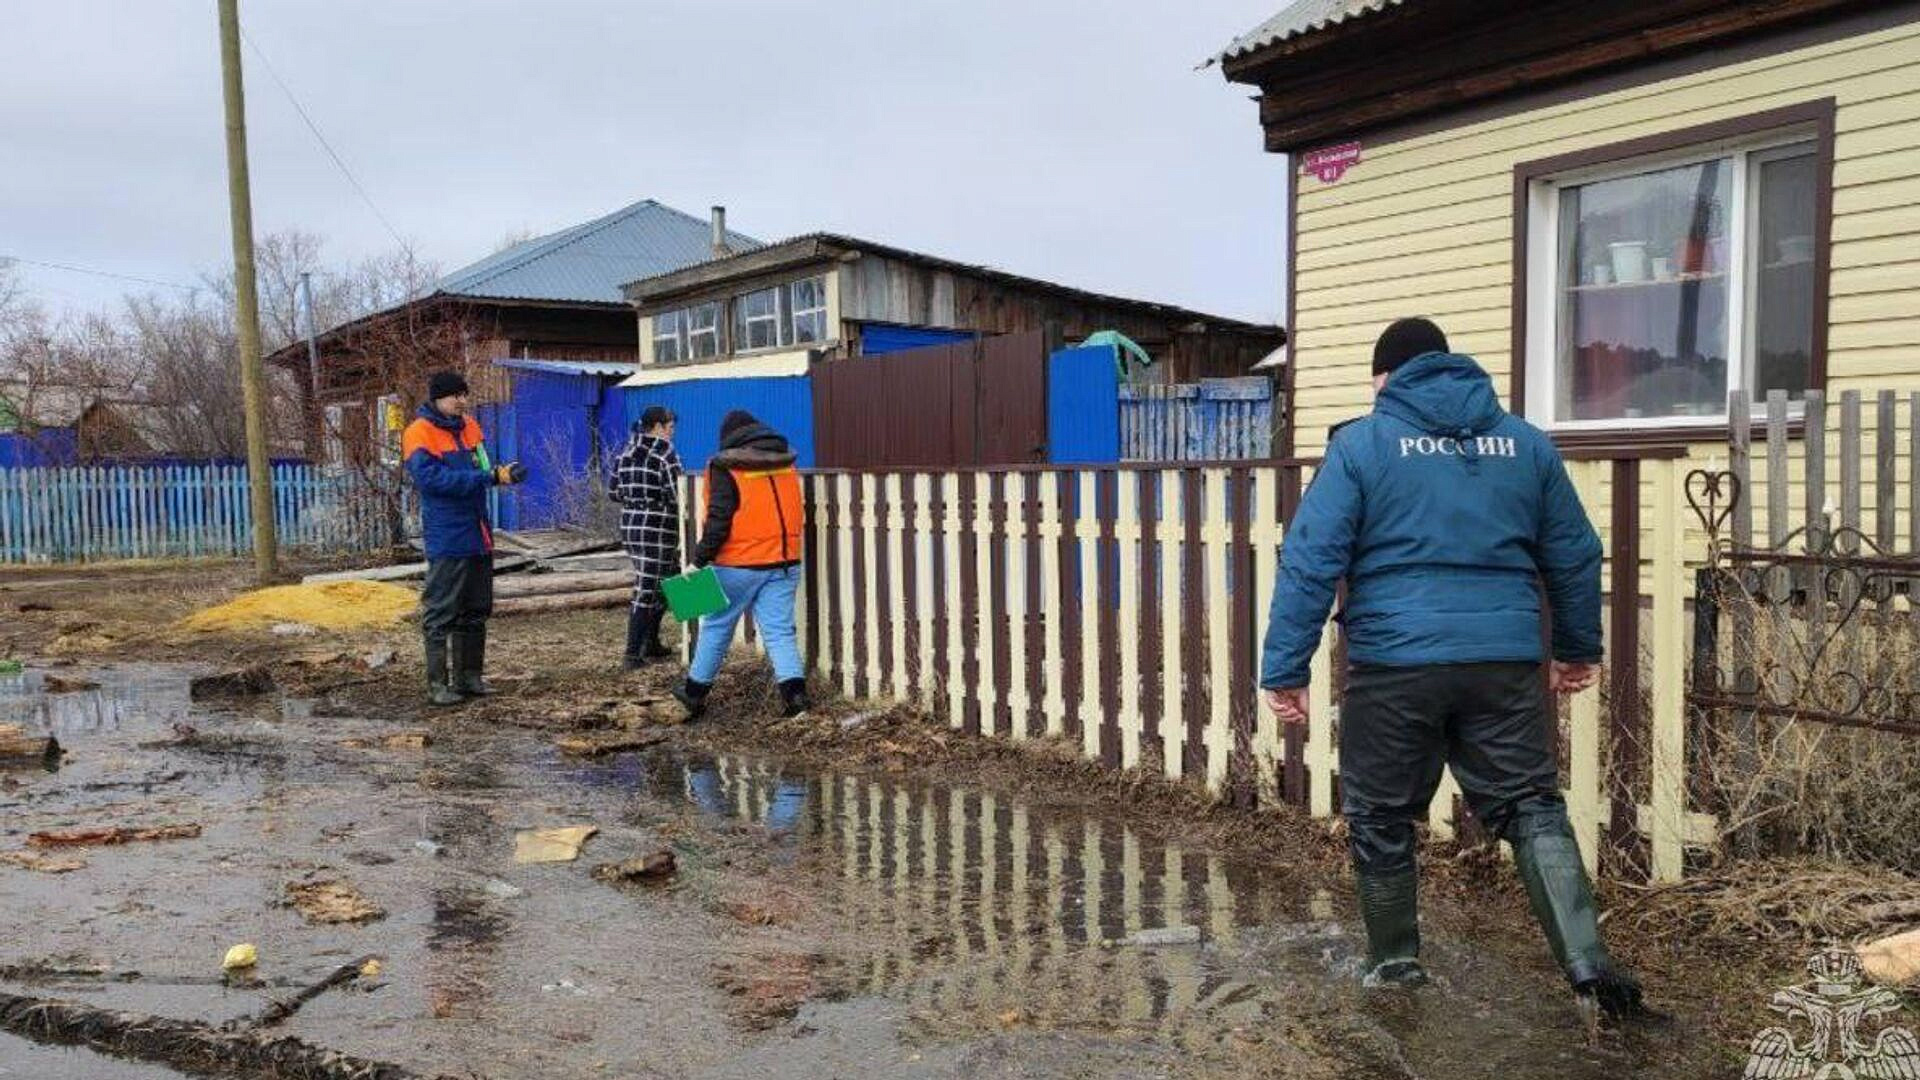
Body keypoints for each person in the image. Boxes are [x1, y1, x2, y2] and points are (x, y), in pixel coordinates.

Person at [1259, 318, 1648, 1019]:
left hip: (1395, 661)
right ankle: (1589, 966)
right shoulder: (1526, 444)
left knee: (1381, 816)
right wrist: (1575, 648)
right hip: (1503, 658)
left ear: (1387, 377)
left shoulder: (1363, 445)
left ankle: (1396, 968)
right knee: (1530, 805)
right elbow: (1573, 552)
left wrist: (1286, 668)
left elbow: (1311, 559)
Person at [673, 410, 807, 720]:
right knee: (780, 632)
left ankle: (693, 694)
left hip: (738, 563)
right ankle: (796, 699)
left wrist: (698, 560)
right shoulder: (785, 462)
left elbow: (719, 521)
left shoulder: (725, 466)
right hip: (785, 561)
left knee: (716, 626)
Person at [402, 370, 524, 706]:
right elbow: (433, 481)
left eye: (464, 394)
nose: (462, 401)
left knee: (476, 608)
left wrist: (500, 473)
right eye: (455, 395)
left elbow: (482, 465)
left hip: (477, 530)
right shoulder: (418, 433)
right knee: (442, 610)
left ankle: (469, 677)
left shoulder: (470, 427)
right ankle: (438, 684)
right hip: (448, 532)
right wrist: (486, 477)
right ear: (438, 398)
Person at [608, 405, 684, 669]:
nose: (672, 432)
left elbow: (613, 492)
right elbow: (677, 493)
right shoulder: (665, 454)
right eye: (670, 427)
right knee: (649, 587)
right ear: (658, 427)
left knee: (670, 579)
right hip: (659, 528)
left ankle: (651, 642)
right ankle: (632, 653)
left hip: (631, 526)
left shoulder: (625, 453)